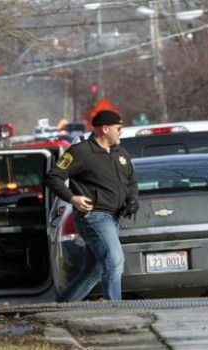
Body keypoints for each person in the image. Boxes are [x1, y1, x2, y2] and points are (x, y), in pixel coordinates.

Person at [45, 110, 139, 302]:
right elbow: (53, 177)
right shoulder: (81, 152)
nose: (121, 132)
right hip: (94, 216)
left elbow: (131, 182)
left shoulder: (121, 153)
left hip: (113, 218)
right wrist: (72, 199)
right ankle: (115, 311)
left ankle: (60, 308)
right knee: (115, 261)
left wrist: (132, 200)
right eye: (118, 128)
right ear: (105, 129)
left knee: (94, 270)